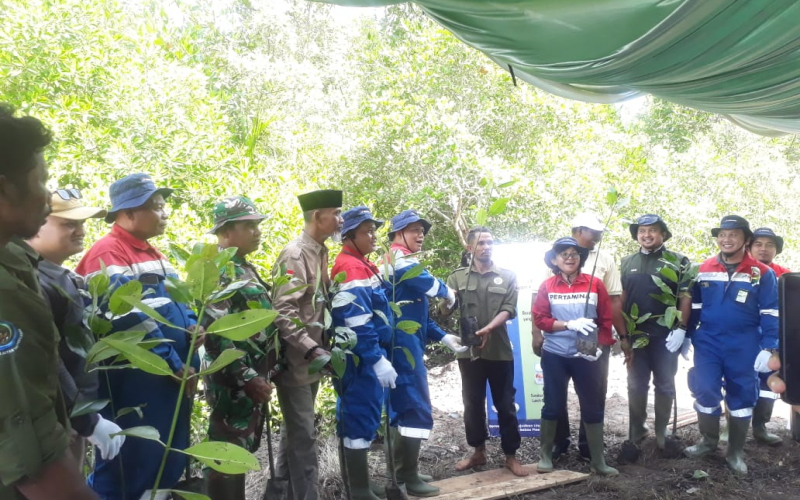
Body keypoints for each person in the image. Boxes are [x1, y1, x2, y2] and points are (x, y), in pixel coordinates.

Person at [76, 173, 202, 500]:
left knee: (167, 456)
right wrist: (171, 363)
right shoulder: (107, 253)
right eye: (157, 207)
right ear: (128, 213)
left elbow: (180, 298)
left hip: (170, 380)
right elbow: (129, 319)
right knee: (132, 460)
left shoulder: (154, 254)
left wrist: (192, 325)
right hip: (138, 381)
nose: (165, 214)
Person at [0, 104, 100, 500]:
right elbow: (37, 470)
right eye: (41, 180)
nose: (46, 194)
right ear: (5, 188)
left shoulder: (16, 261)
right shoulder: (6, 298)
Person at [25, 190, 125, 468]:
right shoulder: (33, 282)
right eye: (69, 224)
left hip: (73, 420)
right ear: (36, 224)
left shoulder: (64, 277)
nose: (80, 230)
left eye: (81, 223)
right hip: (54, 423)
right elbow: (48, 358)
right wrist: (87, 420)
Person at [683, 216, 778, 475]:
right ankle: (708, 442)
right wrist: (687, 334)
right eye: (722, 234)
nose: (726, 239)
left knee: (742, 395)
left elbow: (770, 311)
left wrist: (769, 346)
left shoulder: (762, 273)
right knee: (704, 388)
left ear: (745, 239)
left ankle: (735, 452)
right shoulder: (704, 268)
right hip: (709, 341)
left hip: (744, 342)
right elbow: (697, 305)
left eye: (733, 234)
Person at [384, 210, 465, 496]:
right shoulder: (397, 261)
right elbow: (433, 286)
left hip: (410, 346)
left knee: (406, 407)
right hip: (400, 348)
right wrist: (448, 292)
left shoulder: (407, 262)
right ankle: (404, 477)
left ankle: (404, 472)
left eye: (422, 230)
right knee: (414, 407)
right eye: (414, 229)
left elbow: (420, 317)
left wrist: (445, 337)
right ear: (398, 233)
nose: (420, 235)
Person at [536, 213, 627, 460]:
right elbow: (540, 319)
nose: (569, 258)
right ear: (554, 260)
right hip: (555, 352)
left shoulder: (595, 284)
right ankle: (547, 455)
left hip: (587, 351)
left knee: (592, 403)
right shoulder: (547, 286)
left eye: (574, 254)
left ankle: (596, 459)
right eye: (563, 254)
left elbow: (606, 320)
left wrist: (601, 345)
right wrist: (568, 324)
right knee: (553, 403)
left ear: (581, 258)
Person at [202, 196, 275, 500]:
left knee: (240, 448)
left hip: (251, 378)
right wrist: (245, 377)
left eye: (257, 225)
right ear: (225, 232)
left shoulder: (243, 267)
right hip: (232, 383)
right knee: (226, 450)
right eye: (249, 225)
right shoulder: (219, 270)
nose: (257, 231)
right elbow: (216, 332)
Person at [271, 189, 343, 500]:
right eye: (336, 214)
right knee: (304, 438)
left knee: (295, 435)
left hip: (314, 359)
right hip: (298, 362)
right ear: (318, 216)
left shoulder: (320, 251)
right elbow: (282, 310)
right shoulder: (295, 254)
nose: (340, 220)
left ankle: (279, 495)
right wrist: (310, 347)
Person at [443, 227, 527, 477]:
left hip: (499, 350)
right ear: (470, 248)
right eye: (481, 243)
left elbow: (509, 309)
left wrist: (489, 328)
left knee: (505, 404)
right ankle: (478, 452)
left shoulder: (507, 275)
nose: (486, 247)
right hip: (469, 353)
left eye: (490, 242)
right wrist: (449, 299)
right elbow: (444, 312)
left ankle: (510, 455)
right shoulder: (457, 278)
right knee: (472, 403)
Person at [330, 206, 396, 500]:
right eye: (367, 231)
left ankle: (363, 485)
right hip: (359, 360)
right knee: (358, 418)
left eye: (374, 230)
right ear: (350, 235)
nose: (373, 236)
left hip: (366, 357)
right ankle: (358, 490)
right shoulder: (352, 267)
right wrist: (376, 359)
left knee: (366, 417)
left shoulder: (361, 263)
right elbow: (357, 322)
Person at [620, 215, 691, 449]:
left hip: (666, 337)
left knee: (665, 384)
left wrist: (681, 328)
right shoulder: (626, 262)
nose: (646, 235)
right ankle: (637, 428)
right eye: (642, 231)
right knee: (635, 384)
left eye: (652, 230)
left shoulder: (678, 261)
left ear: (663, 234)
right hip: (636, 335)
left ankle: (662, 432)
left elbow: (685, 296)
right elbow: (619, 298)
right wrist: (623, 334)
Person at [747, 227, 790, 445]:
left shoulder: (785, 275)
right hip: (744, 335)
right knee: (736, 379)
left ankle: (760, 427)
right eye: (758, 244)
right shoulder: (741, 270)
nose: (764, 249)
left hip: (773, 338)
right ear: (749, 246)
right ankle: (732, 425)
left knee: (769, 380)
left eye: (770, 245)